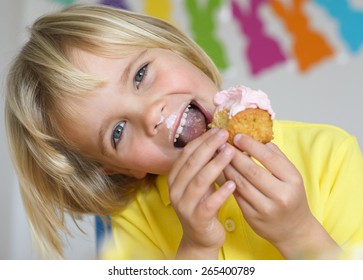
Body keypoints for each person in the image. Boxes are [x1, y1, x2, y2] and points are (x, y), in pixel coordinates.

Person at [5, 4, 363, 260]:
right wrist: (196, 249)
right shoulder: (134, 220)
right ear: (118, 168)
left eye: (141, 74)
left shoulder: (331, 153)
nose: (151, 116)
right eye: (117, 131)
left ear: (176, 49)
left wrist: (297, 232)